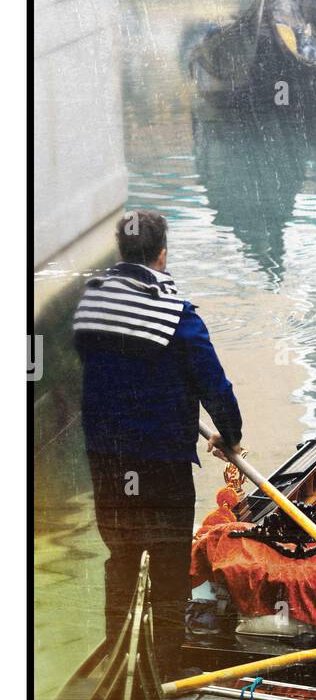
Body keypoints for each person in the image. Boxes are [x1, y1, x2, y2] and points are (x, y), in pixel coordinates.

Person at [73, 209, 243, 672]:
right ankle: (166, 666)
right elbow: (214, 385)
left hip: (105, 459)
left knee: (122, 556)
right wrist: (229, 436)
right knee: (169, 564)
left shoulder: (93, 307)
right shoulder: (177, 314)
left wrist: (167, 398)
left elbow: (106, 376)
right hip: (161, 463)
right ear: (162, 254)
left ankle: (117, 656)